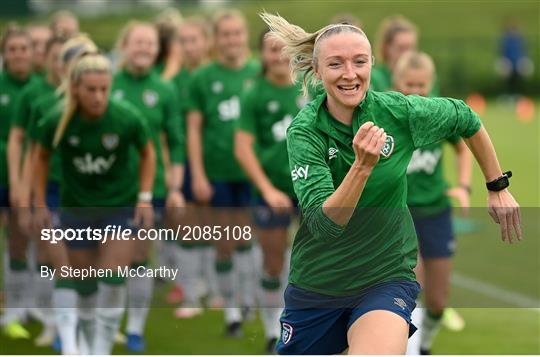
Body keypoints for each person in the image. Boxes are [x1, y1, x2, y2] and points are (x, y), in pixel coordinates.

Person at [260, 13, 521, 354]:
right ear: (318, 70)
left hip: (385, 277)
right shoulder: (305, 131)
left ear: (372, 64)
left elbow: (464, 116)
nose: (350, 74)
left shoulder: (396, 111)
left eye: (360, 62)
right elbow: (325, 225)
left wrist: (496, 186)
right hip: (318, 284)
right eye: (336, 64)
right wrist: (362, 167)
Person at [33, 52, 156, 355]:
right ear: (75, 88)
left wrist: (144, 197)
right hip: (76, 208)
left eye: (104, 88)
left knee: (114, 277)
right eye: (91, 89)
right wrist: (38, 202)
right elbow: (40, 157)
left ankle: (101, 350)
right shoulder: (57, 120)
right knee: (84, 285)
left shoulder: (126, 117)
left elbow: (148, 153)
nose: (99, 96)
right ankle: (85, 346)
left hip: (119, 206)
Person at [186, 9, 260, 336]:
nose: (232, 40)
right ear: (216, 39)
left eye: (237, 33)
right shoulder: (202, 78)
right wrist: (198, 174)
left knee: (250, 239)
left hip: (254, 172)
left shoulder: (258, 71)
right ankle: (231, 309)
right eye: (226, 34)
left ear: (245, 36)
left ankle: (247, 298)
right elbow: (193, 130)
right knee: (225, 241)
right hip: (218, 172)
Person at [112, 21, 185, 352]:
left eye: (149, 44)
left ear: (158, 50)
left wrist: (175, 189)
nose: (143, 49)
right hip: (105, 189)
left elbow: (177, 141)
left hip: (149, 189)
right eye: (137, 42)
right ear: (124, 45)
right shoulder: (106, 83)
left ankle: (135, 330)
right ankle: (105, 325)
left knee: (139, 257)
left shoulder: (165, 89)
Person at [393, 51, 472, 354]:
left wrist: (464, 186)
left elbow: (464, 147)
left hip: (436, 212)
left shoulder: (440, 114)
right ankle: (410, 350)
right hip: (401, 214)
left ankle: (424, 344)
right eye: (408, 84)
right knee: (413, 286)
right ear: (397, 82)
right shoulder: (389, 113)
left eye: (421, 85)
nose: (414, 91)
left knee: (438, 300)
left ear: (432, 83)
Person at [234, 30, 307, 352]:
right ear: (261, 55)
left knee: (313, 261)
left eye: (283, 49)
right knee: (273, 262)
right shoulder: (254, 94)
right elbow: (244, 148)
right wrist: (266, 189)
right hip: (272, 191)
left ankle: (306, 320)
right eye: (271, 50)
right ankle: (270, 327)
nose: (278, 55)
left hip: (310, 190)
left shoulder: (309, 88)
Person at [7, 33, 67, 347]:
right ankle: (51, 320)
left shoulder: (84, 94)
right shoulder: (35, 95)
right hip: (50, 186)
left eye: (67, 57)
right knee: (48, 254)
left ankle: (84, 321)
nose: (62, 64)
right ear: (46, 59)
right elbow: (27, 147)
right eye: (56, 57)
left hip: (82, 190)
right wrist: (22, 188)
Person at [0, 24, 37, 340]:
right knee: (13, 243)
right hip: (4, 177)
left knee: (29, 242)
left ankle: (28, 306)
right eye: (12, 49)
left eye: (23, 49)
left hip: (32, 180)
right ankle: (12, 310)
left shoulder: (40, 88)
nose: (18, 55)